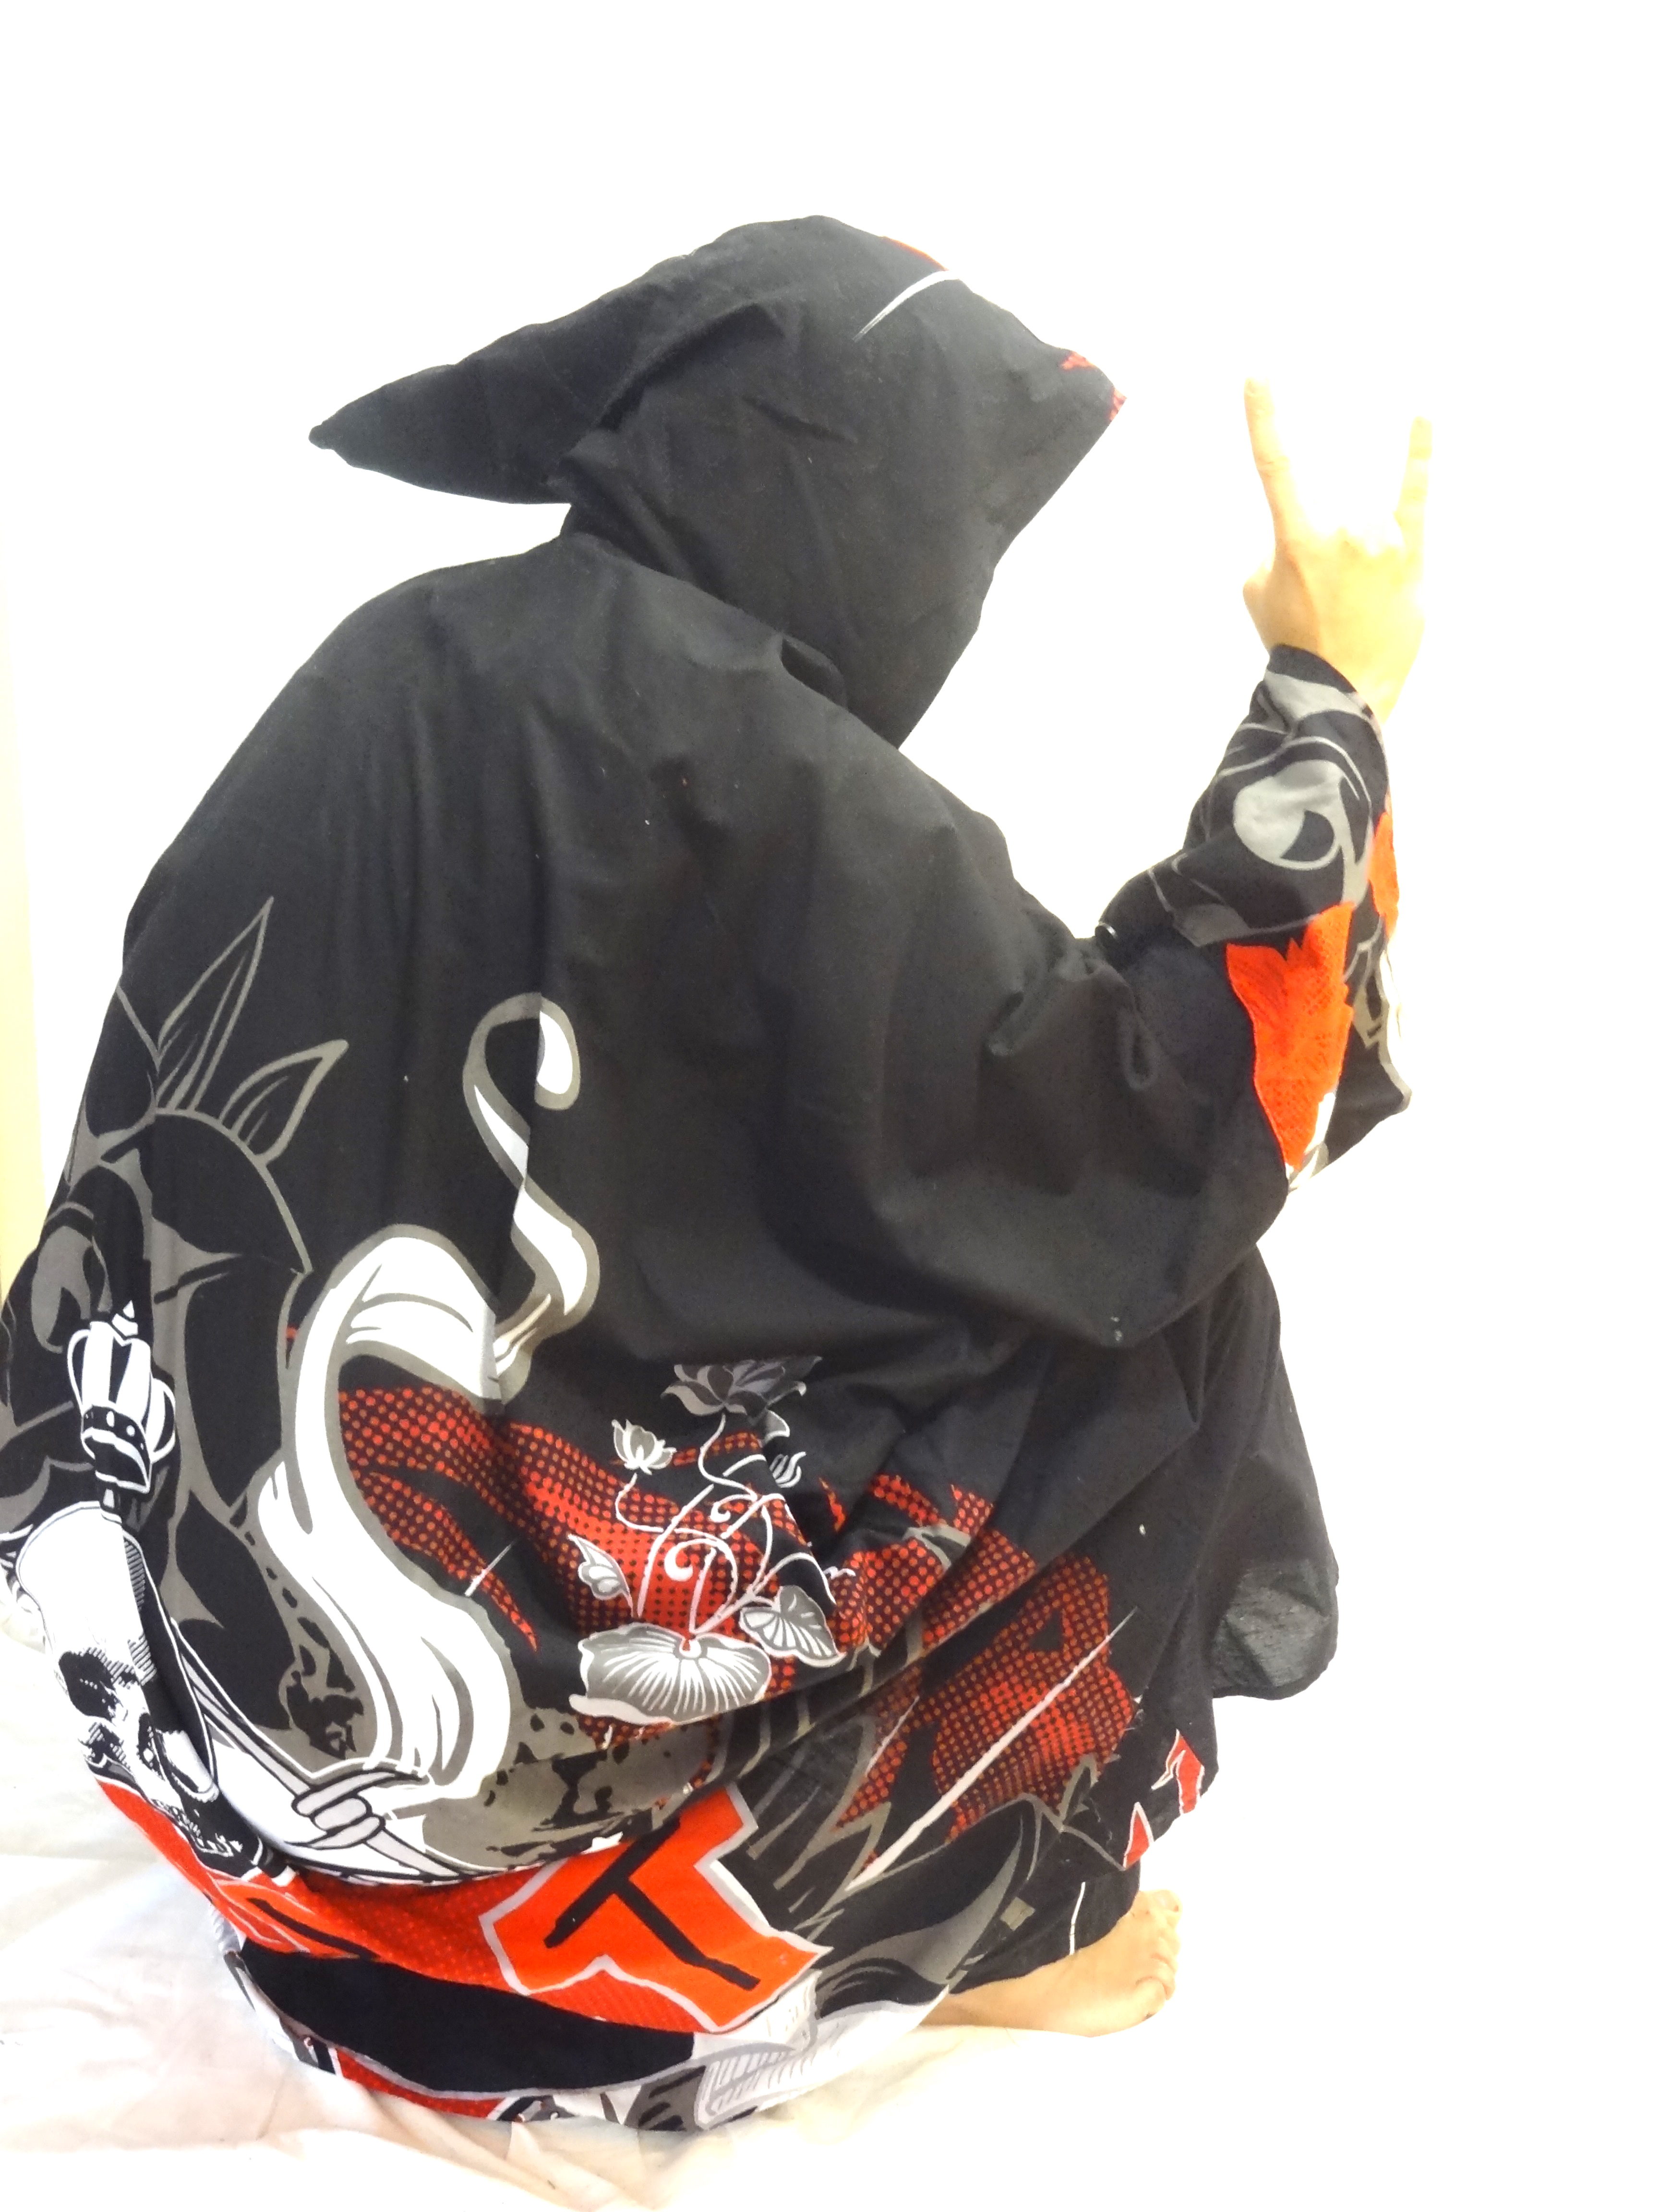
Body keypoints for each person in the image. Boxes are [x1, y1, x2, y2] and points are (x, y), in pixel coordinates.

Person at [0, 216, 1427, 2132]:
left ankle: (392, 1939)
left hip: (192, 1720)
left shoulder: (394, 654)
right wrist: (1330, 689)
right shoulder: (783, 779)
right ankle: (980, 1921)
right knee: (1174, 1317)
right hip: (494, 1786)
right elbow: (1185, 1117)